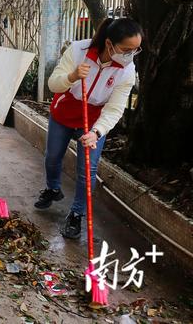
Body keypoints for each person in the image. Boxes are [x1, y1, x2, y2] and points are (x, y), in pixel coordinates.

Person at [34, 18, 142, 239]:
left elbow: (115, 108)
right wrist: (72, 76)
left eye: (135, 50)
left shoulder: (127, 70)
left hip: (94, 120)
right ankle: (53, 188)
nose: (130, 55)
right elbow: (53, 84)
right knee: (53, 157)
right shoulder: (78, 50)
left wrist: (97, 132)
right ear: (110, 44)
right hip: (65, 111)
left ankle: (76, 214)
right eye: (126, 49)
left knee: (88, 170)